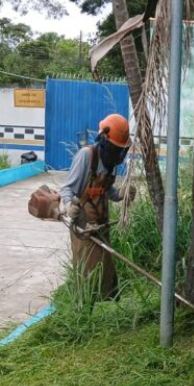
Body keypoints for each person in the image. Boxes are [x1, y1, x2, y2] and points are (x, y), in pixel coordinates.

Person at [59, 113, 132, 300]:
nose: (117, 154)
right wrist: (69, 206)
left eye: (120, 150)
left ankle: (106, 306)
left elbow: (108, 191)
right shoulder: (87, 156)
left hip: (102, 224)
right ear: (104, 141)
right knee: (87, 273)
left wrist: (122, 195)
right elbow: (67, 189)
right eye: (115, 149)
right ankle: (84, 308)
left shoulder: (111, 163)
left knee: (105, 271)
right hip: (83, 227)